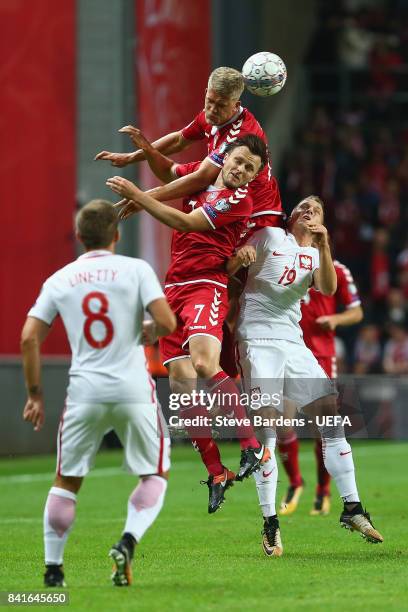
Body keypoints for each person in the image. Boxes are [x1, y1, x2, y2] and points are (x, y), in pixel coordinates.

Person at [106, 134, 271, 514]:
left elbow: (184, 220)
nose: (241, 170)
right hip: (174, 288)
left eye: (250, 168)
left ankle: (250, 445)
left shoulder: (238, 199)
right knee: (182, 393)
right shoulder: (201, 181)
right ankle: (216, 471)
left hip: (206, 285)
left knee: (203, 364)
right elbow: (169, 171)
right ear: (224, 158)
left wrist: (140, 194)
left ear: (252, 178)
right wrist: (146, 149)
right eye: (239, 161)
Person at [21, 200, 176, 588]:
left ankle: (53, 571)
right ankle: (127, 540)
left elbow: (28, 338)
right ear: (117, 234)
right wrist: (150, 331)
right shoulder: (136, 269)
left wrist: (35, 394)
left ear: (78, 237)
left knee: (66, 481)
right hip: (132, 388)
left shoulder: (60, 279)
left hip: (85, 392)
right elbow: (167, 321)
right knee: (154, 473)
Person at [229, 195, 383, 556]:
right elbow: (227, 270)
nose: (311, 210)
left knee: (332, 418)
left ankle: (352, 507)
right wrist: (239, 259)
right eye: (305, 206)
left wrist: (325, 244)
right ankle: (270, 522)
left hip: (294, 342)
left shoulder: (316, 255)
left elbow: (327, 288)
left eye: (318, 209)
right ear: (293, 215)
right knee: (267, 432)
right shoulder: (268, 236)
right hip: (257, 338)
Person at [95, 65, 284, 232]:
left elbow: (201, 178)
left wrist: (143, 198)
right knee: (174, 174)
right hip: (226, 198)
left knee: (190, 219)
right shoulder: (211, 116)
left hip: (258, 217)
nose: (212, 109)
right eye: (209, 101)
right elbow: (179, 140)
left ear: (236, 105)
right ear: (206, 92)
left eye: (221, 105)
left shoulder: (240, 135)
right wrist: (131, 157)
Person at [277, 260, 363, 517]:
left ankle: (323, 490)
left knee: (323, 429)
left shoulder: (336, 269)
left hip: (321, 356)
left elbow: (356, 311)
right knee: (282, 424)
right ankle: (294, 483)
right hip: (288, 352)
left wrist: (336, 318)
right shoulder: (285, 259)